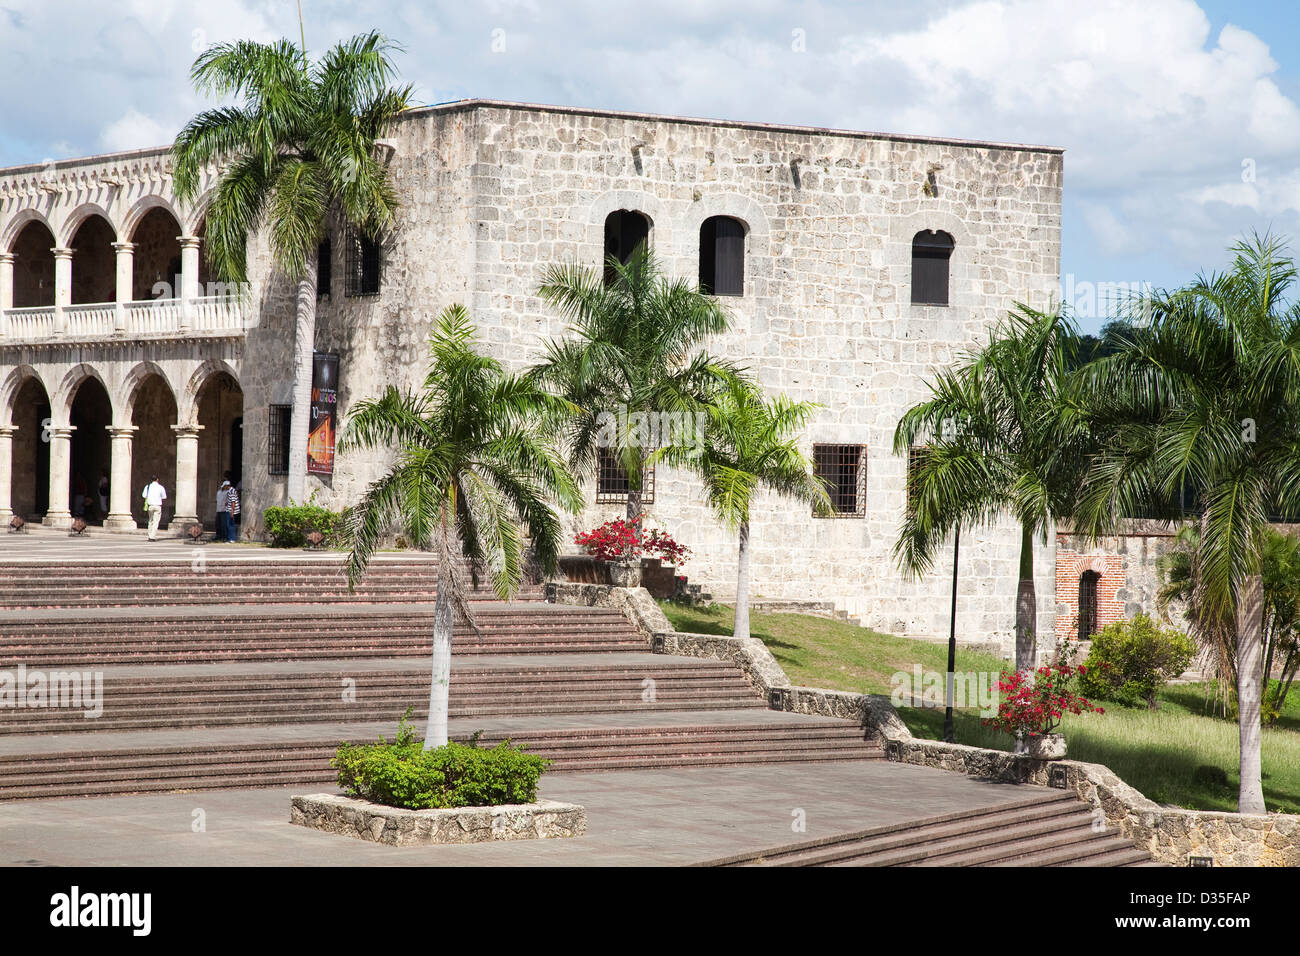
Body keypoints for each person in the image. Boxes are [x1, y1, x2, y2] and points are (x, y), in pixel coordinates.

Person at [141, 475, 167, 541]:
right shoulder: (161, 487)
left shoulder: (148, 487)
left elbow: (144, 495)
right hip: (158, 506)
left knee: (150, 521)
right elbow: (164, 497)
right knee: (156, 522)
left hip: (150, 506)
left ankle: (150, 535)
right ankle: (152, 536)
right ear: (157, 479)